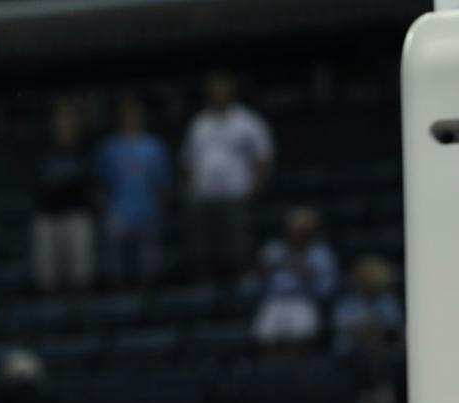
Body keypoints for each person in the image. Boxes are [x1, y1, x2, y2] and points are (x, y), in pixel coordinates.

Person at [179, 73, 273, 281]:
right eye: (214, 90)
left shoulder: (248, 121)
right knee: (203, 252)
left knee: (237, 251)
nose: (217, 94)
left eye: (221, 89)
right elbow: (187, 160)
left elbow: (263, 157)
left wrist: (254, 187)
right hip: (204, 197)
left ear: (230, 92)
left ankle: (239, 290)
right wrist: (190, 190)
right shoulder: (199, 123)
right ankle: (206, 292)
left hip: (235, 196)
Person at [95, 96, 171, 289]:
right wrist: (105, 211)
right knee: (116, 271)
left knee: (149, 271)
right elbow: (101, 184)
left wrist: (159, 211)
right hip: (117, 214)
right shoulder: (109, 147)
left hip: (147, 213)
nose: (131, 118)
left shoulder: (154, 146)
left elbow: (162, 184)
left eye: (134, 114)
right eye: (126, 115)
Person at [30, 98, 96, 292]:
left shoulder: (84, 148)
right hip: (48, 217)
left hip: (77, 215)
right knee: (47, 279)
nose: (65, 123)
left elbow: (92, 184)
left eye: (69, 119)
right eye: (61, 118)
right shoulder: (41, 149)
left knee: (81, 276)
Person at [251, 206, 339, 348]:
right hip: (274, 301)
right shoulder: (273, 249)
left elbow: (327, 289)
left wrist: (308, 273)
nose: (299, 234)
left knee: (301, 338)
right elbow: (255, 284)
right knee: (265, 338)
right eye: (296, 229)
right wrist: (263, 272)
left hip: (304, 301)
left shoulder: (321, 253)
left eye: (305, 231)